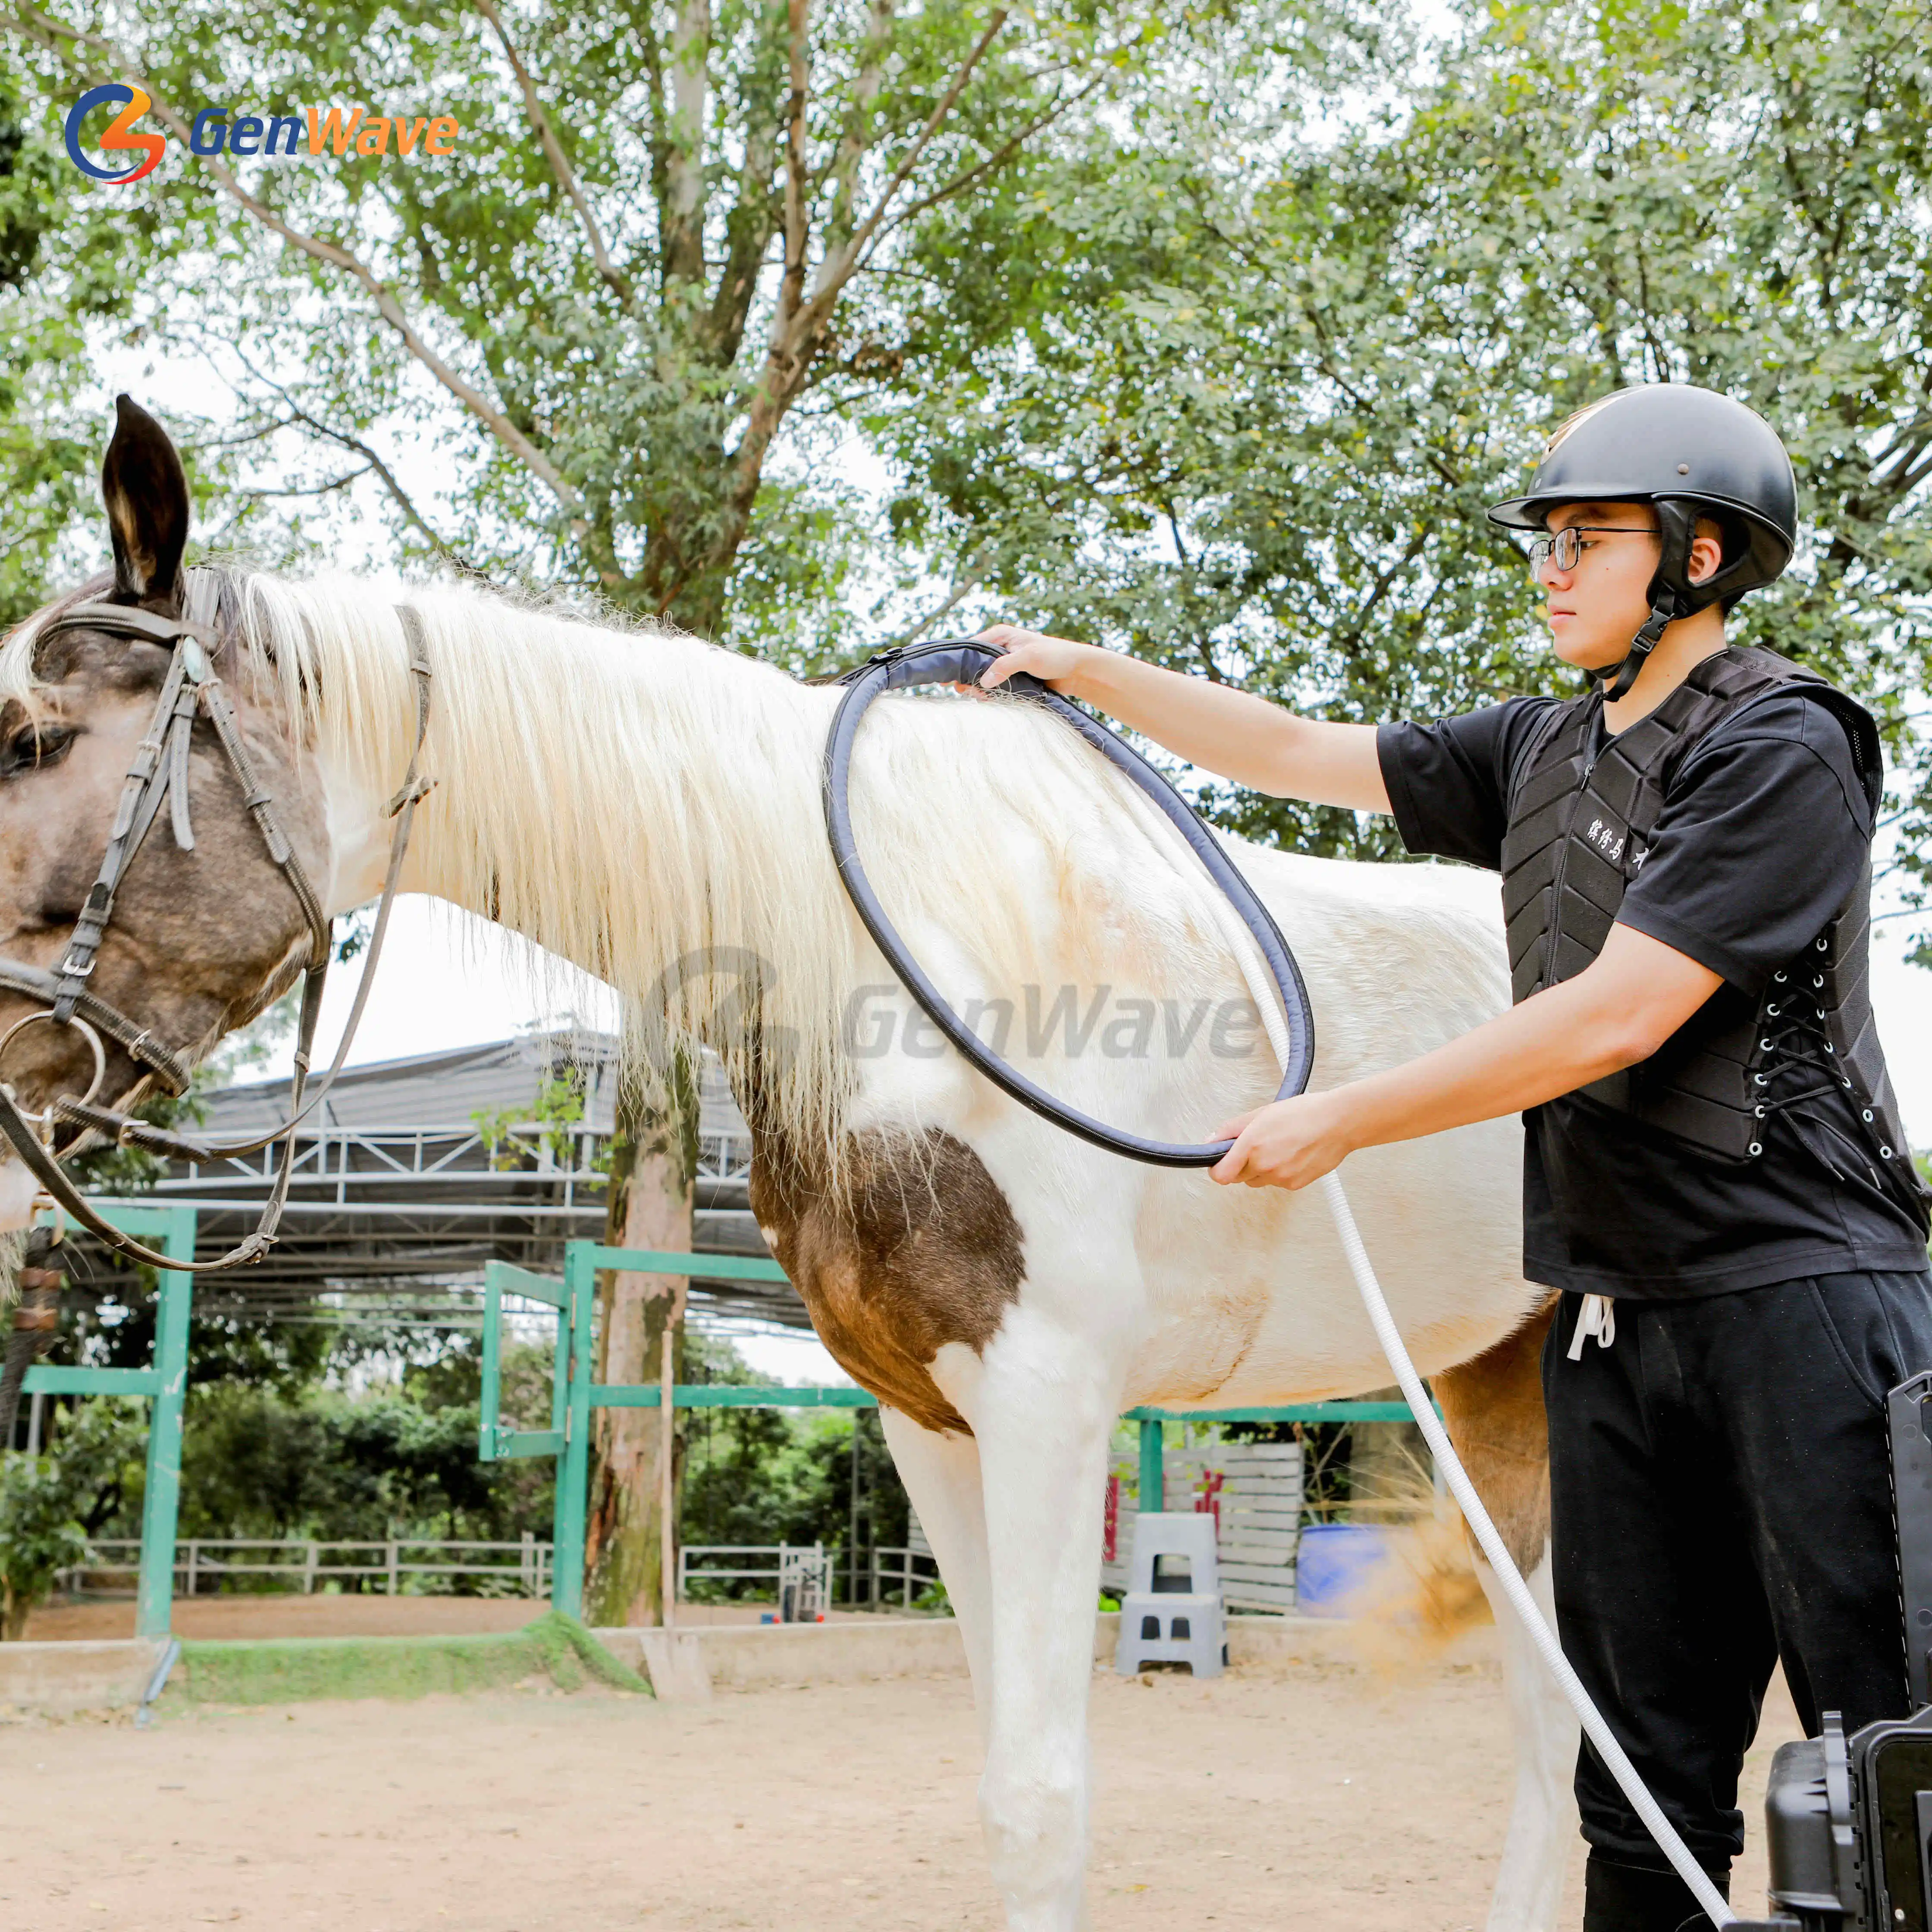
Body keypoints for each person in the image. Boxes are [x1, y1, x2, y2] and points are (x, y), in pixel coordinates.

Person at [974, 383, 1932, 1932]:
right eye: (1543, 541)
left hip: (1807, 1305)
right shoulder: (1540, 751)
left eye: (1588, 538)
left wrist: (1342, 1115)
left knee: (1884, 1758)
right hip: (1616, 1322)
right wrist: (1077, 670)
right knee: (1635, 1792)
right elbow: (1295, 749)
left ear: (1696, 557)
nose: (1551, 568)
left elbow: (1617, 1014)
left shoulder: (1786, 748)